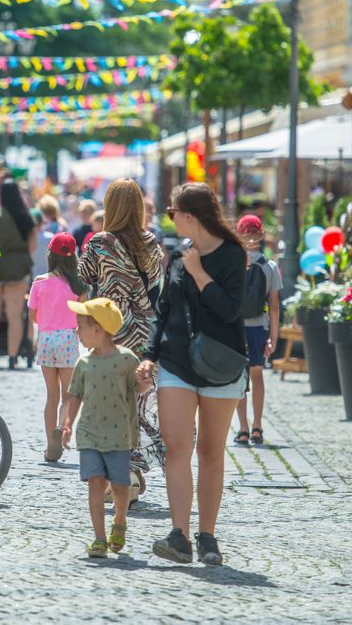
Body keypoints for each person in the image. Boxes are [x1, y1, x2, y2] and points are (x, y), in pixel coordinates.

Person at [137, 182, 247, 566]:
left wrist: (200, 273)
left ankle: (208, 537)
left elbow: (232, 312)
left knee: (211, 452)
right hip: (178, 363)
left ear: (189, 216)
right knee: (177, 447)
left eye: (173, 213)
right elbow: (163, 310)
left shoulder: (233, 255)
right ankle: (179, 534)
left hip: (221, 366)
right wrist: (149, 357)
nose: (171, 219)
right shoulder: (179, 255)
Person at [60, 297, 138, 558]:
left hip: (119, 434)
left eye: (80, 326)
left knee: (119, 485)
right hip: (89, 433)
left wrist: (145, 383)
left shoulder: (126, 360)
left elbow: (138, 388)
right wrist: (68, 424)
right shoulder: (83, 364)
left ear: (98, 329)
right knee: (95, 483)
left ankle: (119, 521)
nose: (77, 331)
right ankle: (99, 538)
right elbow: (75, 396)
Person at [78, 179, 163, 356]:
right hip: (143, 328)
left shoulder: (100, 242)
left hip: (108, 325)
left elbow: (82, 279)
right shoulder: (150, 241)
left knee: (108, 380)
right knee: (140, 382)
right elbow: (155, 286)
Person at [28, 232, 86, 462]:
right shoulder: (79, 286)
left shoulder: (39, 282)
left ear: (50, 255)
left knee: (50, 396)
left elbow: (32, 316)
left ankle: (49, 441)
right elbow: (82, 318)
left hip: (46, 339)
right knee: (68, 395)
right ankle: (61, 431)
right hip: (68, 340)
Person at [232, 215, 282, 446]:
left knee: (239, 379)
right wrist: (273, 337)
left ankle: (242, 428)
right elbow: (273, 306)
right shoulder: (269, 266)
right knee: (257, 374)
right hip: (258, 327)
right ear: (261, 235)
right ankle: (257, 427)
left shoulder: (232, 263)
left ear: (239, 235)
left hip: (236, 327)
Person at [0, 180, 37, 369]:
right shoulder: (26, 217)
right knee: (15, 315)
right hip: (18, 270)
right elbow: (32, 247)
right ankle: (13, 358)